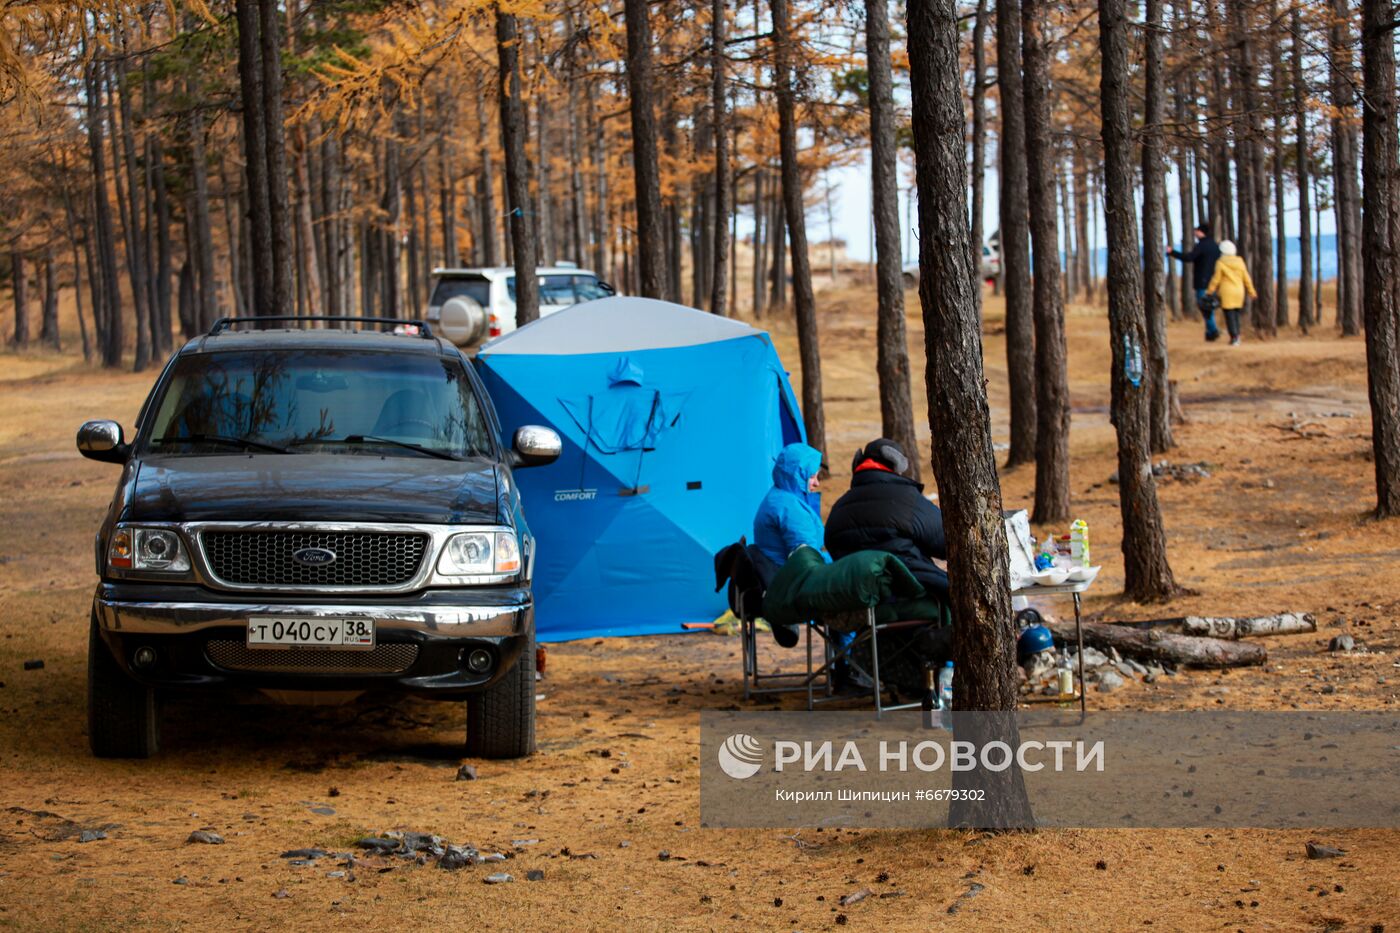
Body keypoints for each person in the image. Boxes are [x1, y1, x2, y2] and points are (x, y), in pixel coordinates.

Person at [824, 438, 948, 601]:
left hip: (856, 600)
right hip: (911, 592)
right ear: (896, 465)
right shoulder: (907, 500)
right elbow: (947, 542)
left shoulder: (838, 507)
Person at [752, 442, 827, 650]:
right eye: (812, 476)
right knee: (850, 591)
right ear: (797, 475)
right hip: (791, 580)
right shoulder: (789, 507)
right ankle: (849, 666)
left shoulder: (780, 497)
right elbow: (806, 555)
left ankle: (847, 665)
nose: (817, 483)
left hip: (779, 575)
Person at [1167, 223, 1223, 342]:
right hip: (1213, 281)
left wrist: (1172, 252)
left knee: (1204, 306)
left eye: (1196, 231)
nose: (1194, 233)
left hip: (1202, 280)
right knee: (1209, 306)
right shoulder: (1214, 246)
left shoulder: (1201, 245)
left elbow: (1189, 257)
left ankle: (1213, 330)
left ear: (1200, 231)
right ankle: (1210, 333)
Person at [1205, 240, 1257, 347]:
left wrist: (1209, 291)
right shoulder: (1240, 262)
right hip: (1239, 291)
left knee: (1229, 316)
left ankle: (1234, 337)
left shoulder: (1220, 262)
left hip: (1227, 292)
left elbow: (1216, 279)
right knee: (1236, 314)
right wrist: (1251, 291)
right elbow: (1246, 278)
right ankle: (1237, 335)